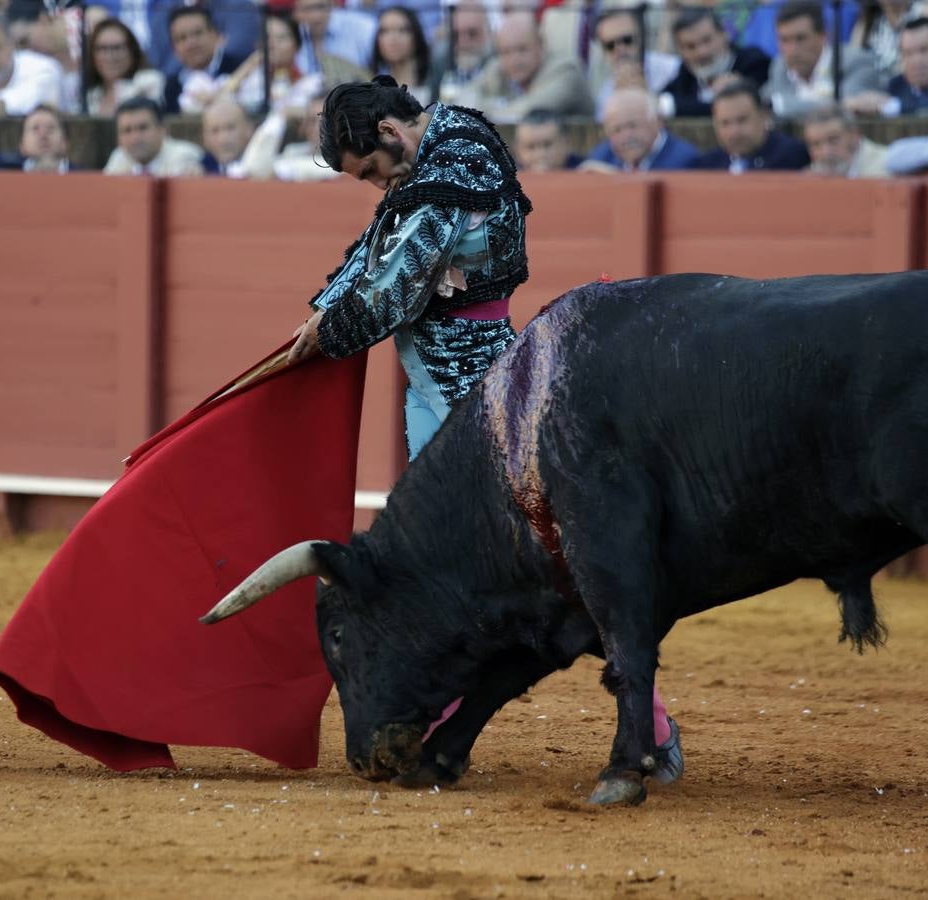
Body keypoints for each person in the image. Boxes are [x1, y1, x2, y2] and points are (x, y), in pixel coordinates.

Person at [286, 77, 682, 784]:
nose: (376, 186)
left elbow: (397, 286)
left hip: (482, 402)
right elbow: (378, 245)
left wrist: (332, 329)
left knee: (552, 573)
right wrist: (324, 307)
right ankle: (436, 724)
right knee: (446, 572)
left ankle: (650, 723)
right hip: (434, 393)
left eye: (371, 170)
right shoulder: (426, 163)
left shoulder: (458, 160)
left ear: (390, 132)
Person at [762, 0, 881, 119]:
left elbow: (845, 112)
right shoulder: (780, 66)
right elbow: (762, 104)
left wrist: (779, 105)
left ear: (824, 36)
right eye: (784, 40)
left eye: (800, 38)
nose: (792, 50)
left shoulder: (857, 62)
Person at [470, 11, 595, 123]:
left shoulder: (567, 72)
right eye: (506, 52)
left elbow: (527, 112)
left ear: (541, 44)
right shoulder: (497, 69)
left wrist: (488, 109)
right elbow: (466, 99)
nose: (514, 60)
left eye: (522, 49)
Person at [660, 8, 771, 118]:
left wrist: (675, 106)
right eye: (691, 46)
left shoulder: (754, 62)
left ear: (724, 34)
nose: (701, 52)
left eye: (707, 40)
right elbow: (662, 99)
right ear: (680, 51)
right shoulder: (686, 73)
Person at [690, 79, 811, 172]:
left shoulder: (793, 157)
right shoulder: (706, 166)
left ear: (763, 116)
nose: (734, 132)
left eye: (742, 120)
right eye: (725, 123)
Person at [846, 16, 928, 117]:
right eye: (908, 53)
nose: (916, 61)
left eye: (923, 50)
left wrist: (894, 105)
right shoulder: (897, 85)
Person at [581, 87, 699, 173]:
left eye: (632, 126)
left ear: (658, 121)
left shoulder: (685, 162)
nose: (626, 136)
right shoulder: (601, 157)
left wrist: (617, 179)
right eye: (617, 130)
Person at [164, 7, 245, 114]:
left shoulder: (241, 68)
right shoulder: (171, 87)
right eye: (182, 38)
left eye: (198, 33)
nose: (191, 43)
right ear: (174, 48)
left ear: (216, 35)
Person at [102, 95, 204, 177]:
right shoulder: (119, 157)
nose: (135, 138)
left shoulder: (185, 156)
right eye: (127, 131)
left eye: (143, 128)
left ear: (162, 129)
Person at [84, 18, 163, 118]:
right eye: (102, 49)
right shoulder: (91, 94)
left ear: (132, 51)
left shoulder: (149, 82)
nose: (110, 56)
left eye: (117, 48)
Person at [0, 103, 73, 172]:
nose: (43, 135)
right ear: (22, 145)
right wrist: (27, 166)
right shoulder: (11, 169)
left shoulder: (79, 173)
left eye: (51, 129)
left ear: (65, 143)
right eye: (35, 129)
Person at [371, 6, 431, 106]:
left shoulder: (437, 83)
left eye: (402, 30)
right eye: (385, 31)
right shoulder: (372, 92)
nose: (393, 38)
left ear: (416, 36)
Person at [512, 108, 582, 172]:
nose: (540, 155)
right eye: (531, 147)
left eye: (547, 145)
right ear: (517, 150)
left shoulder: (583, 169)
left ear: (566, 144)